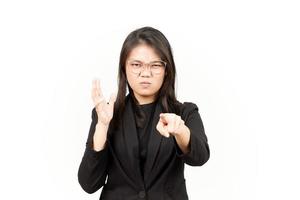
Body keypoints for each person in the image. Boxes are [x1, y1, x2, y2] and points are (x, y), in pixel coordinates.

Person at [77, 26, 210, 200]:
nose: (145, 73)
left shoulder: (185, 112)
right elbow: (89, 184)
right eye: (136, 65)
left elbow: (200, 158)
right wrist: (102, 126)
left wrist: (180, 131)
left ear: (166, 70)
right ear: (124, 68)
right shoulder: (106, 113)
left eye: (155, 65)